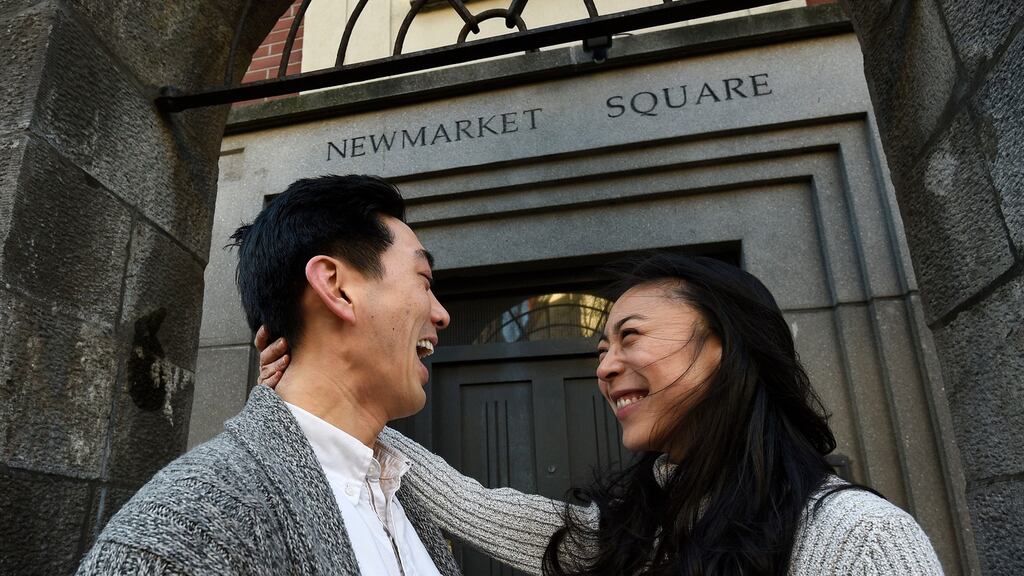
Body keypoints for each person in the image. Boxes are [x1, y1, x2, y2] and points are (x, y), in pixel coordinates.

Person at [259, 252, 944, 575]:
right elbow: (473, 504)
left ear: (725, 349)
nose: (605, 365)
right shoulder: (637, 532)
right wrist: (329, 406)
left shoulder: (861, 538)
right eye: (602, 345)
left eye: (630, 336)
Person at [79, 175, 460, 575]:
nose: (441, 314)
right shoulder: (184, 530)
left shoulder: (398, 494)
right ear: (336, 287)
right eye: (424, 281)